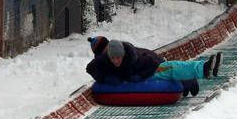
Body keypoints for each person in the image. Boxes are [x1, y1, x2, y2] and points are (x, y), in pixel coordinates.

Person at [86, 37, 223, 96]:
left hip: (148, 69)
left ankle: (204, 68)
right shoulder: (104, 60)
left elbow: (153, 63)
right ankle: (191, 77)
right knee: (170, 69)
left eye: (118, 57)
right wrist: (105, 78)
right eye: (112, 57)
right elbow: (90, 68)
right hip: (137, 75)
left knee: (170, 67)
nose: (115, 60)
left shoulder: (132, 56)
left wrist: (140, 76)